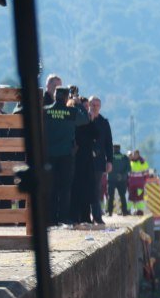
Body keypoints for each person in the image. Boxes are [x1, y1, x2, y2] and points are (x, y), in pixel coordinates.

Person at [41, 86, 79, 224]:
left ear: (55, 95)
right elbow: (85, 119)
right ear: (66, 97)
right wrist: (77, 102)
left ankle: (50, 219)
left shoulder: (45, 111)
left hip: (49, 155)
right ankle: (63, 217)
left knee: (51, 187)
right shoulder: (72, 112)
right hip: (65, 155)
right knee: (65, 188)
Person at [72, 94, 111, 224]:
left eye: (97, 105)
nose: (94, 107)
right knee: (84, 188)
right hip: (84, 160)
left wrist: (109, 160)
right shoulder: (83, 119)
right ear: (88, 105)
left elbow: (108, 143)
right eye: (92, 105)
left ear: (100, 107)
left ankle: (97, 216)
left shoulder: (104, 122)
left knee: (96, 189)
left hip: (98, 161)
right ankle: (85, 216)